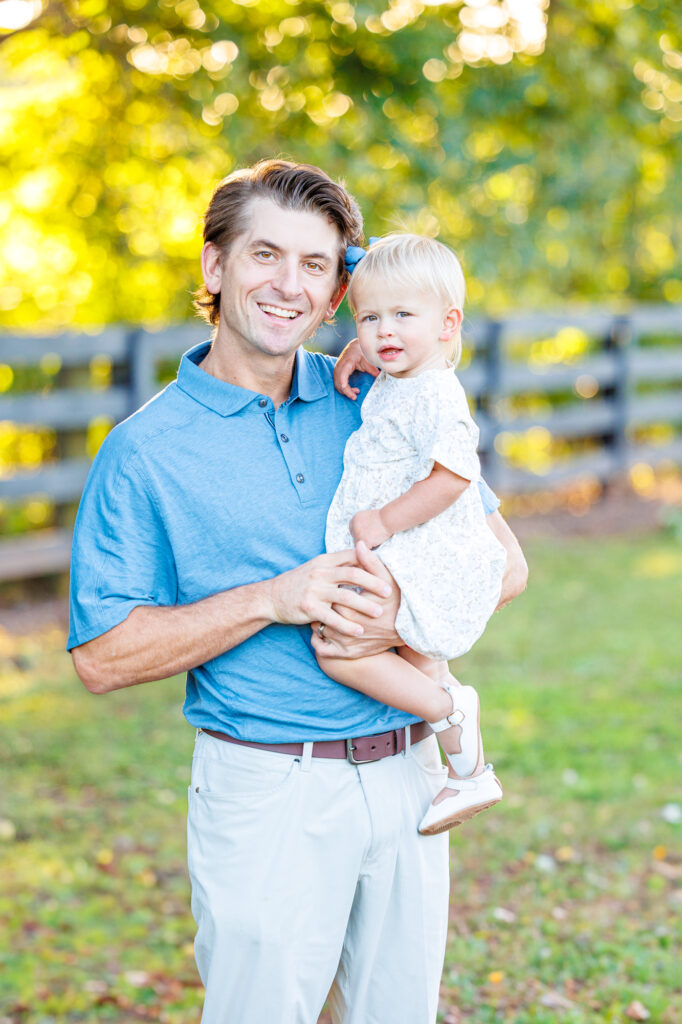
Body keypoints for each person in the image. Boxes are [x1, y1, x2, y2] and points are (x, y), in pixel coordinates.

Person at [68, 159, 528, 1024]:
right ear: (214, 266)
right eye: (265, 255)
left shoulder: (379, 395)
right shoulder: (144, 451)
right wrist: (268, 600)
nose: (289, 285)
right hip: (269, 786)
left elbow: (507, 565)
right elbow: (102, 658)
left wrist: (397, 616)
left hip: (410, 774)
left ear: (337, 288)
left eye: (315, 264)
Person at [319, 233, 506, 837]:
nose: (384, 330)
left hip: (414, 547)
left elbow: (454, 475)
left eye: (402, 316)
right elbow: (393, 339)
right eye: (369, 318)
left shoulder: (435, 393)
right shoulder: (406, 376)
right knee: (422, 664)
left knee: (338, 649)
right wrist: (367, 349)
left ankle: (451, 711)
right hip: (404, 549)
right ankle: (470, 772)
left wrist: (384, 520)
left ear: (449, 324)